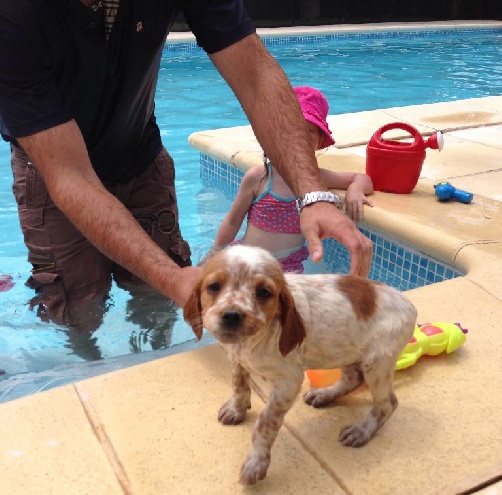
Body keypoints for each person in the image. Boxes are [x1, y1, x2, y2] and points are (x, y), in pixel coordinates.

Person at [0, 1, 373, 333]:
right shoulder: (14, 16)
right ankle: (86, 363)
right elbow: (71, 174)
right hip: (51, 167)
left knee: (158, 296)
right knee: (77, 307)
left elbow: (256, 75)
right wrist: (171, 277)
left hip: (138, 154)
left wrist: (313, 193)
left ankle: (157, 353)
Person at [209, 86, 374, 273]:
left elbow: (363, 179)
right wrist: (215, 253)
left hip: (287, 267)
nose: (298, 139)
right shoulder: (260, 177)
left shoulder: (318, 179)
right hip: (246, 259)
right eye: (290, 130)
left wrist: (355, 190)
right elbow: (232, 221)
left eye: (307, 132)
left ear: (319, 141)